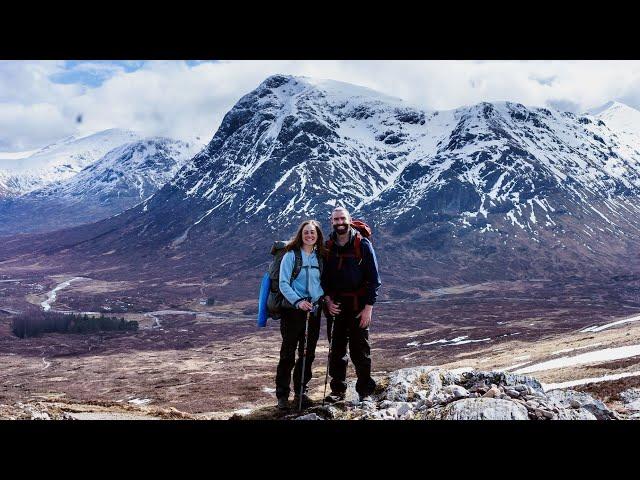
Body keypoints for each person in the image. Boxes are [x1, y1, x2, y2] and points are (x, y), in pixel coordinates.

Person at [321, 206, 381, 404]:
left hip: (358, 307)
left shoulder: (362, 244)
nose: (339, 223)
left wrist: (368, 308)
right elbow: (323, 279)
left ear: (349, 219)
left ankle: (365, 391)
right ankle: (338, 390)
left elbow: (374, 279)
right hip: (335, 307)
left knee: (360, 350)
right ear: (332, 222)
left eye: (342, 219)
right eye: (335, 220)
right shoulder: (328, 246)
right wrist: (327, 301)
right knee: (336, 351)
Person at [275, 219, 327, 410]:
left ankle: (301, 391)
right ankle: (282, 395)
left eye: (313, 232)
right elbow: (283, 283)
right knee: (287, 354)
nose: (309, 235)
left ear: (318, 235)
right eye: (306, 232)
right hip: (292, 311)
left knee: (308, 354)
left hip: (313, 310)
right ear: (301, 234)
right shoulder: (291, 255)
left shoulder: (320, 256)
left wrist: (319, 299)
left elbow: (323, 283)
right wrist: (298, 301)